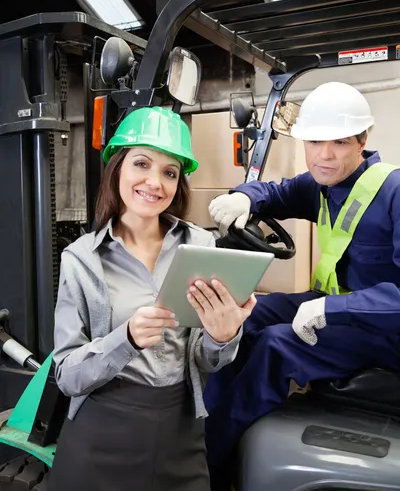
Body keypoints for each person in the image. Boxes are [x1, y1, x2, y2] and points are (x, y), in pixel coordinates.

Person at [48, 106, 256, 491]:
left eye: (169, 172)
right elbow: (67, 376)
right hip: (100, 434)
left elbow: (207, 362)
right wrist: (123, 339)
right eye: (142, 164)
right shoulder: (82, 258)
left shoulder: (202, 246)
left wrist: (222, 337)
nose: (154, 182)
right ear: (118, 168)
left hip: (180, 433)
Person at [204, 82, 400, 486]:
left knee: (277, 344)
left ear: (363, 140)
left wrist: (331, 309)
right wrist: (245, 198)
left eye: (340, 142)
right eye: (314, 141)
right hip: (338, 308)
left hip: (385, 328)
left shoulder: (394, 191)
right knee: (246, 313)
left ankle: (210, 463)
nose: (324, 154)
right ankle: (207, 421)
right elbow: (276, 193)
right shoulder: (323, 186)